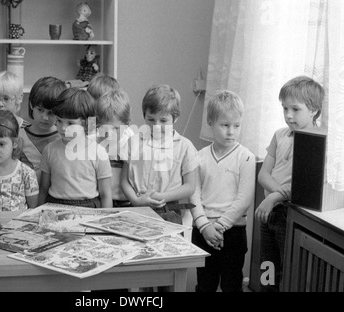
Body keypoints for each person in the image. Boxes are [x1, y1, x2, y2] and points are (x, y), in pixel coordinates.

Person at [255, 76, 324, 292]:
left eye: (295, 109)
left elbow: (306, 185)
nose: (288, 115)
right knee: (268, 266)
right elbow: (264, 174)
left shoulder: (317, 140)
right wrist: (273, 197)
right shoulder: (279, 135)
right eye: (285, 108)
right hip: (270, 211)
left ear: (313, 110)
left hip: (290, 214)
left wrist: (275, 197)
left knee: (288, 270)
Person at [190, 90, 256, 292]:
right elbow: (193, 195)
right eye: (225, 125)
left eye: (236, 126)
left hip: (233, 232)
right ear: (210, 122)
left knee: (232, 284)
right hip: (203, 229)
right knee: (205, 285)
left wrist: (219, 226)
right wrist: (204, 226)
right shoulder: (198, 157)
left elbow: (244, 199)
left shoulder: (246, 157)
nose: (231, 131)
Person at [120, 84, 197, 224]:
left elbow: (190, 187)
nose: (156, 126)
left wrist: (161, 196)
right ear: (144, 116)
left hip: (169, 212)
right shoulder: (133, 142)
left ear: (175, 118)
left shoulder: (185, 147)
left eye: (163, 121)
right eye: (151, 119)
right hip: (137, 210)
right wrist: (136, 201)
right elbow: (124, 181)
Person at [39, 87, 113, 208]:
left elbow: (105, 195)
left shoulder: (99, 152)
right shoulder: (50, 150)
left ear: (85, 123)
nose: (63, 128)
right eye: (59, 121)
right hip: (54, 206)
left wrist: (106, 220)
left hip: (89, 207)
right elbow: (43, 189)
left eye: (70, 123)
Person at [0, 110, 39, 212]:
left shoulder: (26, 173)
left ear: (15, 143)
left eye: (1, 144)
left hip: (17, 226)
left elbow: (32, 208)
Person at [0, 71, 39, 174]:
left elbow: (33, 165)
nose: (0, 104)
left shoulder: (26, 129)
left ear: (19, 98)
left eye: (6, 98)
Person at [95, 89, 135, 207]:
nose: (110, 134)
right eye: (104, 127)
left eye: (116, 128)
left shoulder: (132, 141)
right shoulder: (92, 141)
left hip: (126, 201)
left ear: (127, 124)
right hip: (100, 199)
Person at [26, 76, 67, 154]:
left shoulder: (64, 137)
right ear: (31, 104)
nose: (45, 117)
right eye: (40, 110)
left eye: (51, 113)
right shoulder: (19, 137)